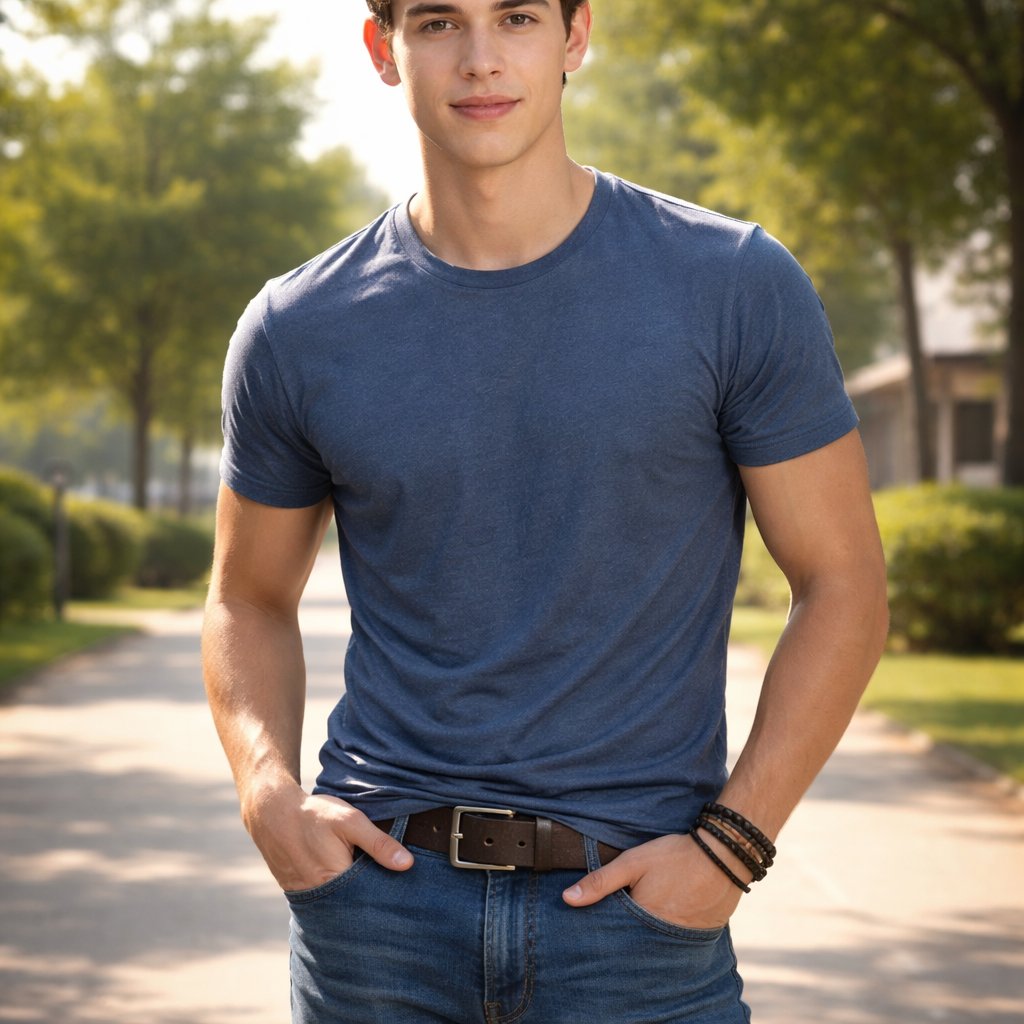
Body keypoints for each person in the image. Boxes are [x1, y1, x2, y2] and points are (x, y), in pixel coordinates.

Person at [201, 1, 889, 1021]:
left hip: (637, 924)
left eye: (515, 16)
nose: (480, 59)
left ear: (574, 38)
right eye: (438, 21)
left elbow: (843, 585)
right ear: (383, 49)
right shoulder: (297, 328)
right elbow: (246, 596)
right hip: (377, 919)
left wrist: (730, 849)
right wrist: (267, 793)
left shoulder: (733, 286)